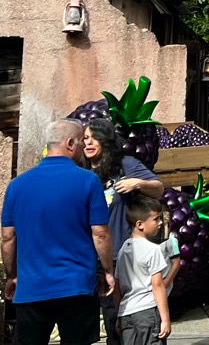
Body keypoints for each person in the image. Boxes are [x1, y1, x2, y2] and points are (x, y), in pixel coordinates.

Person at [2, 119, 115, 345]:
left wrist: (13, 275)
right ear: (70, 143)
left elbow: (8, 237)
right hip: (76, 286)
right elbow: (100, 234)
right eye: (82, 141)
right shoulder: (88, 181)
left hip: (32, 286)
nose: (85, 146)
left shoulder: (17, 185)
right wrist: (107, 271)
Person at [80, 119, 164, 344]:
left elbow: (158, 188)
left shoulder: (125, 164)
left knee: (115, 315)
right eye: (85, 138)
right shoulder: (80, 170)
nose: (88, 143)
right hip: (86, 255)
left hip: (118, 253)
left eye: (93, 137)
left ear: (106, 141)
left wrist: (137, 183)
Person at [113, 195, 172, 345]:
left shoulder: (123, 250)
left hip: (126, 313)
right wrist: (165, 319)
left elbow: (117, 287)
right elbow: (157, 285)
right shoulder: (153, 249)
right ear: (140, 224)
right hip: (148, 312)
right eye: (156, 219)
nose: (160, 223)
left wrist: (118, 314)